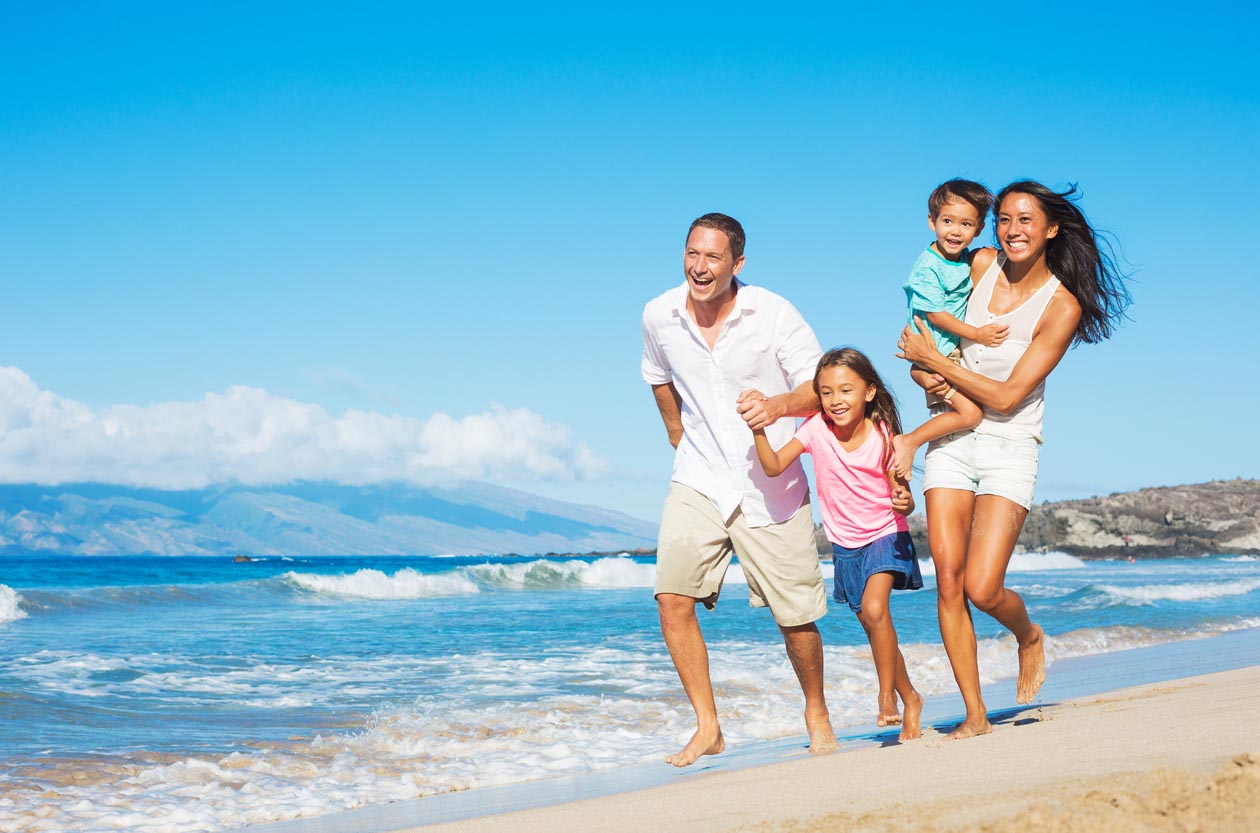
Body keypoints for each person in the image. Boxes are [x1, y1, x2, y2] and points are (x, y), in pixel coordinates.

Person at [896, 180, 1131, 739]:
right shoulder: (979, 266)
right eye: (1003, 219)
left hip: (1010, 443)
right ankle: (976, 714)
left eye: (1025, 220)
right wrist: (924, 364)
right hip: (953, 437)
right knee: (948, 583)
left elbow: (1005, 397)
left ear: (1050, 229)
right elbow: (924, 320)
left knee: (982, 586)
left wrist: (935, 362)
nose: (1012, 230)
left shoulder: (1062, 306)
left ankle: (1027, 635)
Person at [641, 212, 845, 767]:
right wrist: (677, 435)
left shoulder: (774, 313)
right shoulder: (659, 314)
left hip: (769, 479)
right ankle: (708, 726)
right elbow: (657, 376)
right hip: (699, 475)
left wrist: (776, 406)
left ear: (737, 263)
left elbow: (822, 386)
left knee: (794, 614)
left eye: (712, 257)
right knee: (671, 598)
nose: (699, 267)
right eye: (691, 254)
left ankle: (816, 712)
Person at [751, 347, 924, 740]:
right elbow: (775, 466)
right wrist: (758, 430)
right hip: (845, 545)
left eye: (845, 390)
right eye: (826, 392)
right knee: (873, 626)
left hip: (885, 533)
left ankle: (886, 697)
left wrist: (907, 501)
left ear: (868, 392)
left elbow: (905, 496)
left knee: (877, 609)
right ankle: (911, 696)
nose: (835, 400)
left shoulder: (884, 436)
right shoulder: (814, 430)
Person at [892, 179, 1008, 478]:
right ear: (932, 222)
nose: (955, 231)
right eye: (947, 221)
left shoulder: (961, 260)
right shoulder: (928, 266)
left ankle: (919, 375)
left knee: (959, 403)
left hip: (942, 353)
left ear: (979, 228)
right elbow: (937, 315)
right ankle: (909, 441)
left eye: (966, 224)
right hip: (935, 350)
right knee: (970, 413)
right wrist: (978, 335)